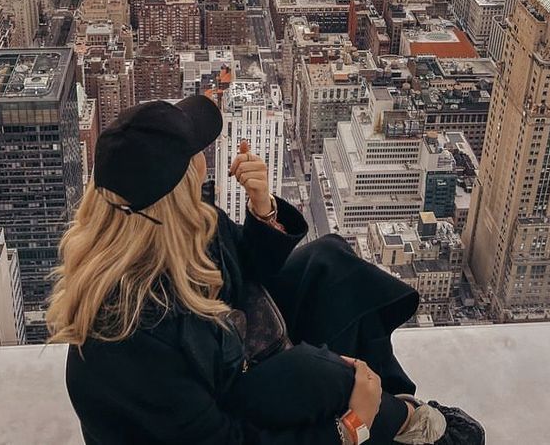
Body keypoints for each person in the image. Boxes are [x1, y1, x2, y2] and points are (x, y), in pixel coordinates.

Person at [49, 95, 485, 445]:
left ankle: (390, 401)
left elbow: (245, 271)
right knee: (320, 375)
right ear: (178, 189)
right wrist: (348, 430)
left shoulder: (176, 226)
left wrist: (263, 209)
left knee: (330, 263)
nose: (205, 156)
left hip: (226, 357)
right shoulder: (124, 338)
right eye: (197, 153)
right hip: (212, 405)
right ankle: (405, 422)